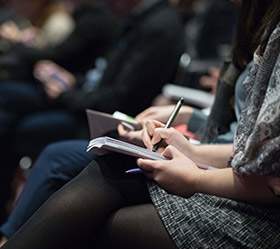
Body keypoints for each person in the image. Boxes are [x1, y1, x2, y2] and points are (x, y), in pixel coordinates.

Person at [0, 0, 280, 249]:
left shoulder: (158, 25)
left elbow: (267, 175)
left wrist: (195, 175)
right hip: (230, 167)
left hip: (263, 220)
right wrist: (189, 150)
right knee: (106, 165)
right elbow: (249, 148)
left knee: (90, 207)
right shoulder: (259, 23)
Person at [0, 0, 184, 223]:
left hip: (108, 124)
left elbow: (116, 101)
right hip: (90, 106)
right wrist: (73, 83)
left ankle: (9, 238)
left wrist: (65, 94)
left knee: (32, 140)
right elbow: (103, 80)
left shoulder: (157, 26)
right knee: (9, 101)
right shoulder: (141, 19)